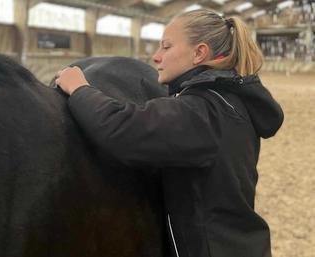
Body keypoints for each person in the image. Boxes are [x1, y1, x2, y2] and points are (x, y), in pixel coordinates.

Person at [55, 9, 284, 257]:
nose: (156, 56)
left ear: (199, 53)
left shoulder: (200, 112)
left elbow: (121, 128)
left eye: (166, 47)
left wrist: (79, 88)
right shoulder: (229, 102)